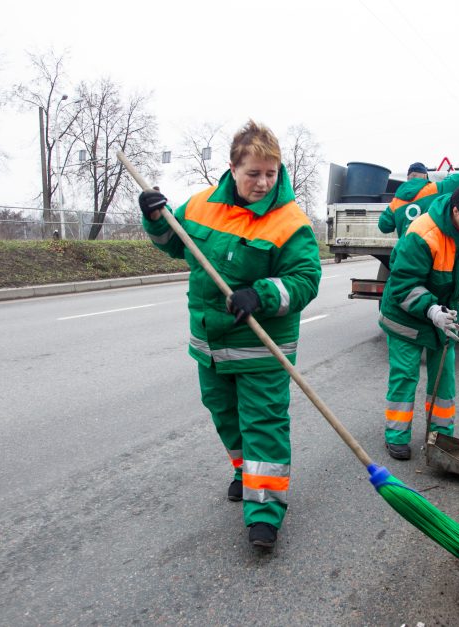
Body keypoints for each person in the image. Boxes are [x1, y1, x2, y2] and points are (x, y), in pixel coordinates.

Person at [138, 120, 322, 549]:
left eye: (270, 174)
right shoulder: (202, 204)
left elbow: (306, 279)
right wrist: (154, 217)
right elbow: (174, 242)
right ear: (233, 169)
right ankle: (245, 473)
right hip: (210, 344)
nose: (262, 183)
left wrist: (260, 295)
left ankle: (264, 514)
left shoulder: (290, 222)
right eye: (253, 173)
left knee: (263, 424)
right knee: (224, 415)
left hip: (260, 347)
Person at [377, 182, 459, 460]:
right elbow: (403, 285)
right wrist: (432, 311)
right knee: (405, 377)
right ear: (456, 211)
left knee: (444, 378)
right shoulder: (422, 234)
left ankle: (440, 437)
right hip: (406, 316)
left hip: (445, 314)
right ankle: (396, 437)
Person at [377, 162, 459, 238]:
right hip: (429, 248)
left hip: (405, 250)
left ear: (408, 178)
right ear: (425, 176)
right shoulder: (435, 188)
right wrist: (446, 178)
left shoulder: (396, 202)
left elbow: (383, 226)